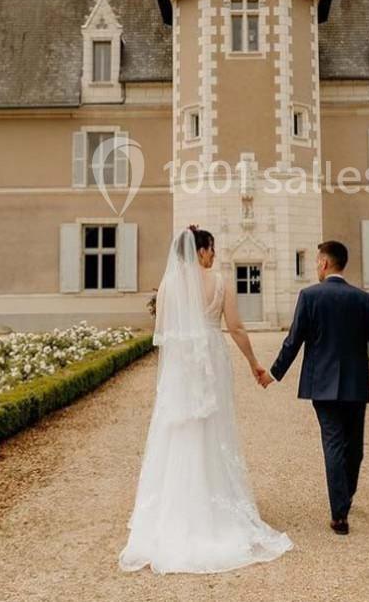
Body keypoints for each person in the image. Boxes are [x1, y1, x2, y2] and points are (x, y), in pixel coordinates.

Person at [119, 226, 292, 573]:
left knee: (178, 428)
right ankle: (214, 503)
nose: (213, 255)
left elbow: (163, 335)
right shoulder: (219, 282)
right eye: (211, 249)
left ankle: (175, 508)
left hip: (182, 367)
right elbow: (237, 328)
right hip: (211, 360)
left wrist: (178, 367)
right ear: (201, 251)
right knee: (214, 427)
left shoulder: (169, 285)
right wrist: (254, 364)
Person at [267, 239, 369, 535]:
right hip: (355, 385)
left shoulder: (309, 296)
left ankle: (340, 512)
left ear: (324, 263)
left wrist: (273, 374)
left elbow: (293, 341)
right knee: (354, 448)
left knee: (334, 444)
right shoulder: (362, 299)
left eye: (316, 262)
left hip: (321, 384)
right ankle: (343, 500)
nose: (315, 267)